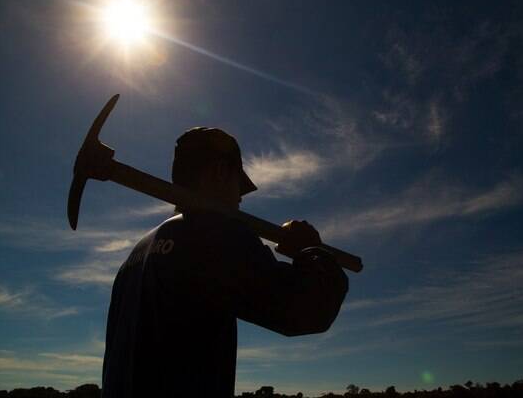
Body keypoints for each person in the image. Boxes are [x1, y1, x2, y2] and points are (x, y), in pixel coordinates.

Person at [101, 127, 349, 397]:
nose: (240, 198)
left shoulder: (137, 254)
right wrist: (310, 250)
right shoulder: (215, 233)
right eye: (238, 185)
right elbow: (307, 311)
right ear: (220, 171)